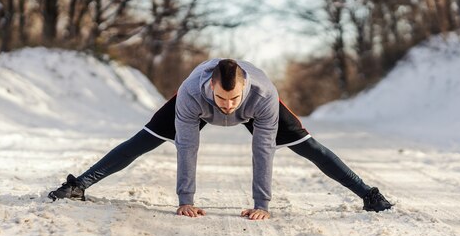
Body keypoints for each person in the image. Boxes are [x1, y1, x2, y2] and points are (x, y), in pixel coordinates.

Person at [48, 59, 392, 220]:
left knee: (310, 149)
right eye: (221, 98)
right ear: (211, 86)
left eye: (233, 99)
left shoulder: (262, 97)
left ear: (244, 89)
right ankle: (78, 185)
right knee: (143, 140)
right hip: (193, 104)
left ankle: (369, 195)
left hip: (259, 110)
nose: (227, 107)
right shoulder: (191, 95)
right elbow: (187, 146)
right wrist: (186, 198)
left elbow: (262, 152)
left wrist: (262, 205)